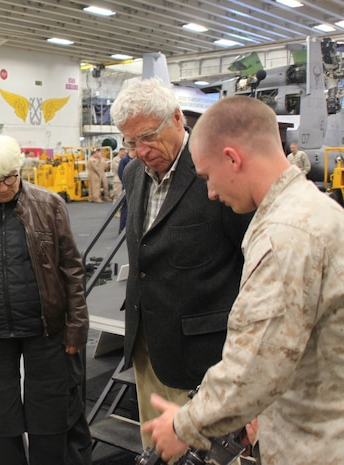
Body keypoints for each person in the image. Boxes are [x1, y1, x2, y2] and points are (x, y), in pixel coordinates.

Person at [142, 95, 344, 465]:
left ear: (233, 158)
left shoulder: (284, 235)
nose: (211, 193)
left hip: (315, 447)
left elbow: (253, 366)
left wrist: (182, 427)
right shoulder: (313, 209)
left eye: (207, 176)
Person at [109, 77, 251, 451]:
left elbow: (252, 265)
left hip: (202, 355)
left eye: (147, 137)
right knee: (155, 447)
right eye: (130, 142)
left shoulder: (214, 170)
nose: (140, 151)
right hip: (146, 343)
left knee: (204, 453)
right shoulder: (134, 174)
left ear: (176, 118)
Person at [0, 135, 91, 465]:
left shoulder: (49, 204)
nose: (2, 188)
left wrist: (76, 329)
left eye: (8, 178)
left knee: (52, 418)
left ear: (19, 169)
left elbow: (72, 269)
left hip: (48, 331)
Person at [115, 148, 134, 233]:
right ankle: (122, 228)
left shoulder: (135, 160)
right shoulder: (124, 160)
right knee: (126, 207)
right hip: (127, 187)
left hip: (135, 186)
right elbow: (121, 174)